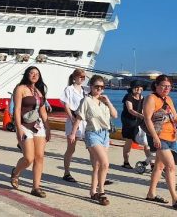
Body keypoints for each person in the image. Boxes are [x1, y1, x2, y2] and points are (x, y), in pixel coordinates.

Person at [143, 75, 177, 210]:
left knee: (159, 167)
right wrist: (155, 137)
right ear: (156, 86)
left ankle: (151, 194)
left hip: (171, 136)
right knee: (170, 166)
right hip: (159, 137)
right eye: (163, 86)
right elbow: (147, 119)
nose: (166, 89)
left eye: (169, 86)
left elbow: (175, 116)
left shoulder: (168, 99)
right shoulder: (151, 98)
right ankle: (175, 199)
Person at [69, 75, 117, 206]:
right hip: (92, 134)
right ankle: (101, 192)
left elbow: (114, 115)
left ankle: (92, 192)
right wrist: (73, 133)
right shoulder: (86, 100)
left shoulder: (103, 101)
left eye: (102, 87)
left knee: (97, 165)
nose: (99, 89)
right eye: (97, 86)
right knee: (104, 163)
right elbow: (79, 118)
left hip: (105, 135)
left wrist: (108, 101)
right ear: (91, 86)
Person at [11, 66, 50, 198]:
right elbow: (17, 109)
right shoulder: (20, 89)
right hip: (24, 125)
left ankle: (36, 187)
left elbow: (43, 112)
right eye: (32, 73)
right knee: (29, 158)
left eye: (37, 74)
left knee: (39, 157)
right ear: (27, 74)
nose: (34, 75)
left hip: (38, 126)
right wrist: (18, 128)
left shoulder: (39, 91)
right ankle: (16, 172)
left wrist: (48, 128)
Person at [60, 69, 88, 183]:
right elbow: (66, 105)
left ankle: (99, 174)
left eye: (84, 77)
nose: (82, 79)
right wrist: (72, 118)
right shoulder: (69, 89)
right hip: (74, 120)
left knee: (92, 148)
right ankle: (66, 173)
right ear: (74, 77)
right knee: (71, 149)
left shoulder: (85, 90)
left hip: (85, 122)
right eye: (81, 76)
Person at [121, 80, 152, 168]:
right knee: (129, 141)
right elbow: (130, 110)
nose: (138, 89)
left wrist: (148, 116)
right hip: (129, 121)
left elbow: (144, 109)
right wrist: (141, 115)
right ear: (132, 88)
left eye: (140, 87)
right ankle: (126, 162)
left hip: (139, 120)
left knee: (146, 141)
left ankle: (151, 163)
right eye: (136, 87)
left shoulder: (143, 98)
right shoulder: (128, 96)